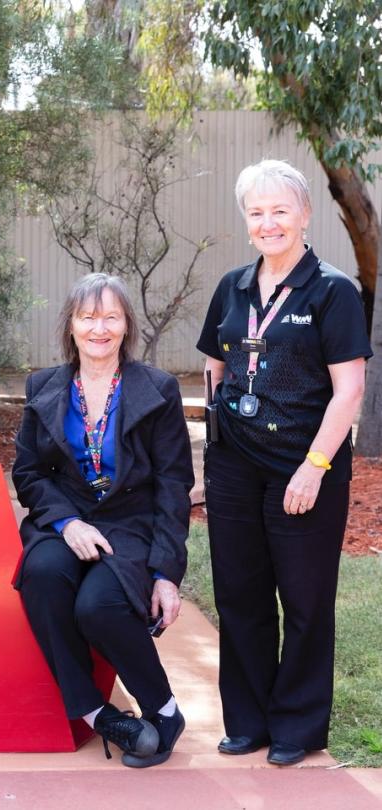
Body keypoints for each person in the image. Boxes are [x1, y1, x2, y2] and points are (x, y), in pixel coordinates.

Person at [197, 159, 370, 766]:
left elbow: (349, 391)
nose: (268, 223)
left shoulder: (332, 290)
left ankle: (297, 725)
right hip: (235, 469)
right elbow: (215, 364)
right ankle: (247, 721)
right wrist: (216, 440)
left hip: (305, 467)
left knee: (303, 598)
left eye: (279, 210)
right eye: (257, 212)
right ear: (246, 222)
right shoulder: (233, 287)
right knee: (239, 595)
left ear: (303, 215)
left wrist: (314, 465)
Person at [12, 273, 193, 768]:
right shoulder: (43, 387)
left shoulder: (157, 389)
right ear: (71, 326)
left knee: (98, 608)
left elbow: (175, 486)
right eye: (88, 317)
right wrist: (67, 522)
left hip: (130, 524)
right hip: (66, 520)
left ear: (126, 325)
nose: (100, 327)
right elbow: (28, 473)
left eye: (111, 316)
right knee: (43, 576)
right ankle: (97, 714)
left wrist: (165, 574)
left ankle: (164, 710)